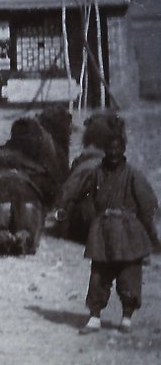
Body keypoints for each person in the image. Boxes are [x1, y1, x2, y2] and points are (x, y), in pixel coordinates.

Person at [55, 122, 159, 335]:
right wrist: (64, 206)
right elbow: (75, 190)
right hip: (102, 231)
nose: (113, 153)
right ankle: (94, 317)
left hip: (128, 232)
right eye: (110, 149)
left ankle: (126, 317)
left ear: (123, 150)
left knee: (129, 276)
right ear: (105, 150)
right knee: (99, 275)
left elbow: (148, 204)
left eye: (117, 149)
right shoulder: (95, 173)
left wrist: (150, 233)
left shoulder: (133, 175)